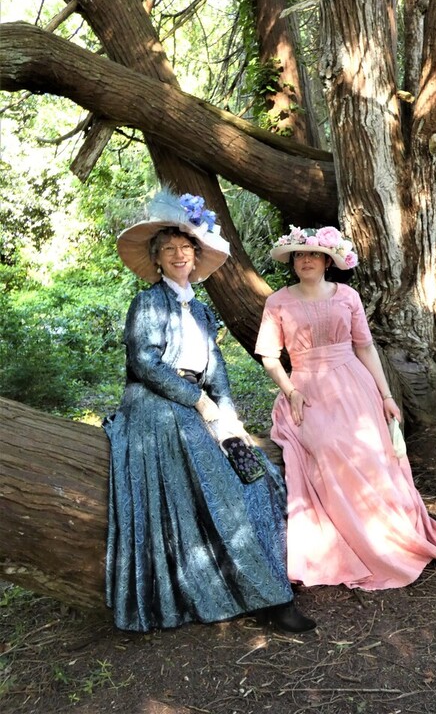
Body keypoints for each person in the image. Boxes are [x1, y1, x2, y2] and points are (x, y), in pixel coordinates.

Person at [104, 189, 316, 634]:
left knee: (256, 472)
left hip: (195, 398)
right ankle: (271, 601)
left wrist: (227, 415)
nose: (179, 255)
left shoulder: (201, 311)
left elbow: (216, 373)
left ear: (196, 256)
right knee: (215, 478)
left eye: (186, 248)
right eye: (169, 250)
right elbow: (144, 362)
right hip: (156, 403)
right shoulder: (147, 303)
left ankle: (273, 577)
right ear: (158, 260)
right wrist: (195, 401)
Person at [255, 225, 436, 590]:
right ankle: (350, 542)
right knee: (325, 447)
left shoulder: (347, 296)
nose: (306, 260)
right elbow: (270, 357)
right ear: (293, 261)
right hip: (306, 388)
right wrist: (290, 391)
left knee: (370, 451)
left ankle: (387, 533)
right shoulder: (278, 302)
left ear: (327, 261)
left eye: (314, 255)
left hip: (354, 385)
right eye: (300, 255)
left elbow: (365, 348)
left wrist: (386, 396)